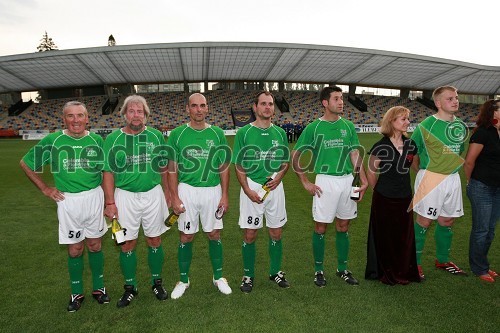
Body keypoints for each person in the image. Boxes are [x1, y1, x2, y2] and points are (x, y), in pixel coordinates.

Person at [20, 101, 109, 312]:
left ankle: (99, 288)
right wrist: (44, 188)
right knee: (76, 248)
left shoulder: (96, 140)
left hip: (94, 197)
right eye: (71, 116)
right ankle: (76, 292)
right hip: (67, 201)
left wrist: (109, 200)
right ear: (64, 119)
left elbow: (106, 170)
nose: (76, 120)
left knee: (95, 245)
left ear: (87, 118)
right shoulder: (54, 140)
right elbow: (26, 163)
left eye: (80, 115)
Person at [292, 86, 368, 287]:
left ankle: (342, 269)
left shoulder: (348, 126)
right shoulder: (313, 128)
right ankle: (318, 270)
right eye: (336, 98)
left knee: (344, 226)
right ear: (325, 103)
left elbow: (354, 154)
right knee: (321, 227)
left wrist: (362, 178)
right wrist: (305, 181)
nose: (341, 102)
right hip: (325, 181)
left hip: (346, 181)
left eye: (341, 98)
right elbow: (296, 156)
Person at [102, 95, 170, 307]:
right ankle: (130, 287)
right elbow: (108, 172)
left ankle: (156, 282)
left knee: (154, 240)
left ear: (146, 115)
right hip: (124, 197)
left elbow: (164, 167)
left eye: (140, 111)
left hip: (153, 195)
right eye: (131, 111)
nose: (136, 115)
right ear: (124, 114)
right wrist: (110, 202)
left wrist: (168, 195)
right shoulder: (113, 139)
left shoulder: (157, 136)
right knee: (125, 243)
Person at [167, 93, 232, 299]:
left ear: (207, 108)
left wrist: (225, 195)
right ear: (188, 109)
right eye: (194, 106)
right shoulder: (177, 134)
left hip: (212, 190)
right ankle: (183, 280)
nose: (198, 109)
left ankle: (218, 277)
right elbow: (171, 168)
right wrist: (174, 197)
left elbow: (223, 166)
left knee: (214, 234)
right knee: (186, 235)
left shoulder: (217, 133)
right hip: (187, 190)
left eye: (202, 105)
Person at [232, 91, 290, 293]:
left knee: (276, 231)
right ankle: (248, 275)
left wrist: (278, 178)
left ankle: (275, 272)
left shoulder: (280, 133)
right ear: (255, 107)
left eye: (271, 104)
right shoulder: (244, 133)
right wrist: (247, 189)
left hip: (275, 187)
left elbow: (285, 162)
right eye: (263, 104)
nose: (268, 107)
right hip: (252, 187)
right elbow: (238, 165)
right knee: (250, 234)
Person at [410, 85, 468, 280]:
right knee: (424, 221)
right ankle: (414, 263)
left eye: (456, 97)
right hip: (431, 178)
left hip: (452, 179)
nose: (455, 101)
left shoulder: (460, 126)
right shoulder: (426, 125)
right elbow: (412, 153)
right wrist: (422, 172)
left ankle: (442, 260)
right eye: (450, 98)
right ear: (438, 103)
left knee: (447, 220)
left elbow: (459, 151)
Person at [364, 106, 421, 285]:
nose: (407, 122)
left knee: (404, 237)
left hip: (405, 197)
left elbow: (416, 168)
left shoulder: (411, 144)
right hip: (384, 198)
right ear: (392, 122)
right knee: (385, 236)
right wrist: (379, 192)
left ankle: (404, 270)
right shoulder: (381, 146)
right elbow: (371, 172)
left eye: (407, 118)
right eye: (403, 119)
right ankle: (385, 271)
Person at [464, 99, 500, 283]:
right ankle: (479, 268)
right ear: (493, 112)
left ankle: (483, 264)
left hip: (498, 189)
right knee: (481, 230)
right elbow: (469, 161)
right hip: (481, 187)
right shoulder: (483, 133)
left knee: (490, 230)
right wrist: (470, 183)